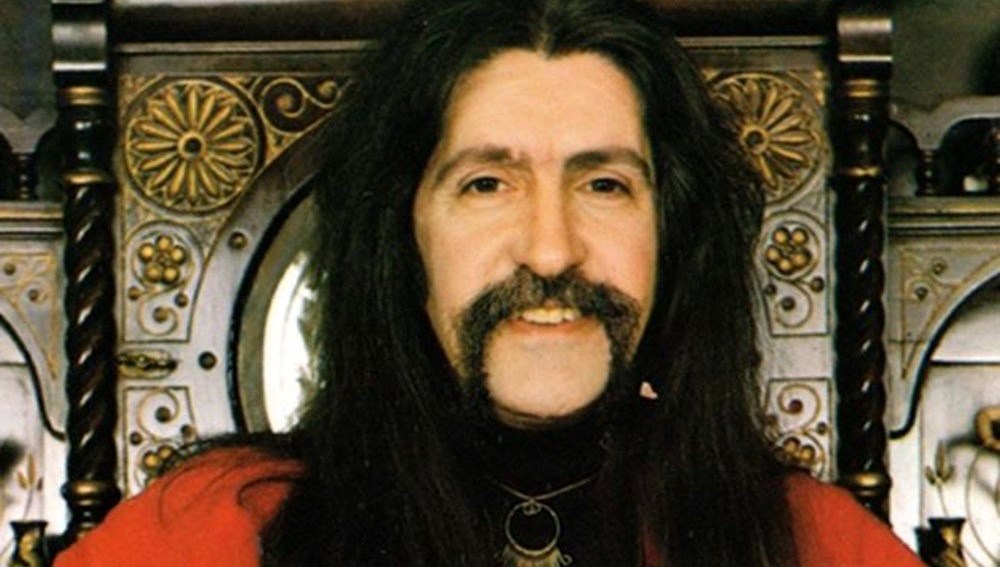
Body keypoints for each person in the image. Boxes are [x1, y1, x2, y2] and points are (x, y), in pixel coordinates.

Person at [54, 0, 925, 566]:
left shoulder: (819, 546)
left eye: (604, 184)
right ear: (403, 237)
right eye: (486, 184)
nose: (550, 251)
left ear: (673, 234)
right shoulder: (205, 531)